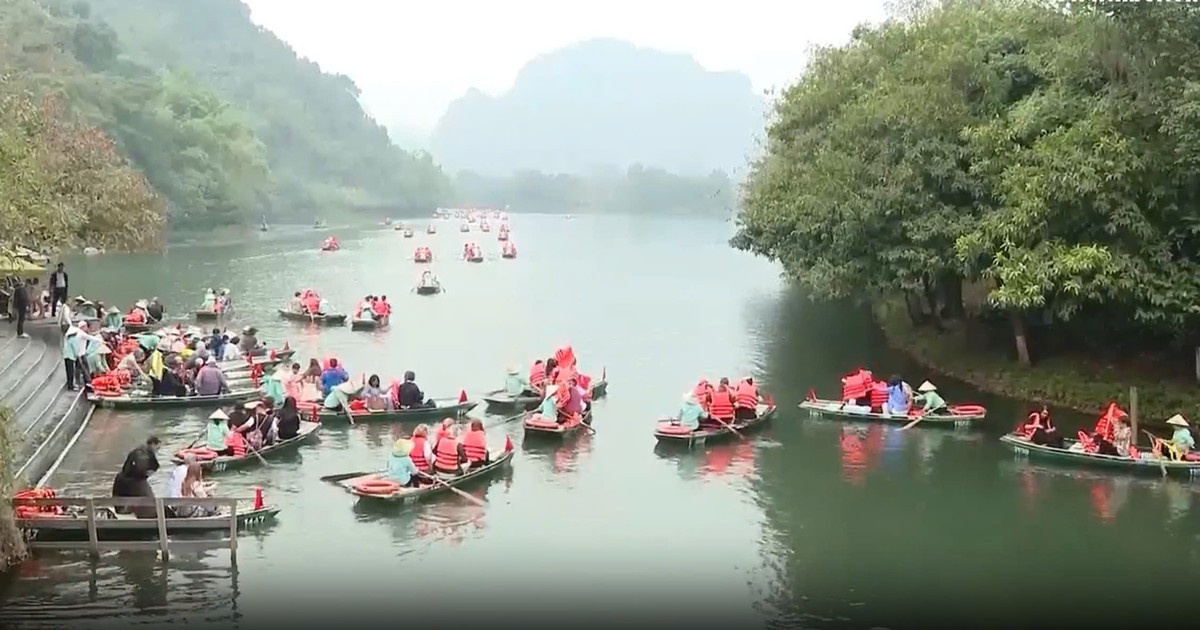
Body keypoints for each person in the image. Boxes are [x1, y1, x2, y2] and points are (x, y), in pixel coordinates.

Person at [110, 436, 162, 518]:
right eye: (157, 448)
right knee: (150, 505)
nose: (157, 451)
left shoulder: (136, 452)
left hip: (123, 491)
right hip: (133, 486)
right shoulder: (144, 455)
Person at [62, 325, 84, 391]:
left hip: (66, 356)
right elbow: (75, 349)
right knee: (71, 371)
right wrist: (78, 356)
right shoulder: (73, 339)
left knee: (68, 371)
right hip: (71, 357)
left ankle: (70, 384)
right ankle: (71, 386)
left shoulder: (67, 338)